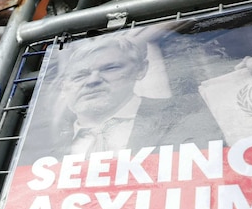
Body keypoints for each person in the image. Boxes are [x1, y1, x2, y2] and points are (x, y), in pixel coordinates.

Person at [21, 33, 224, 162]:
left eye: (110, 68)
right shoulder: (39, 142)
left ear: (140, 70)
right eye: (80, 75)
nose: (92, 81)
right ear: (65, 85)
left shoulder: (183, 114)